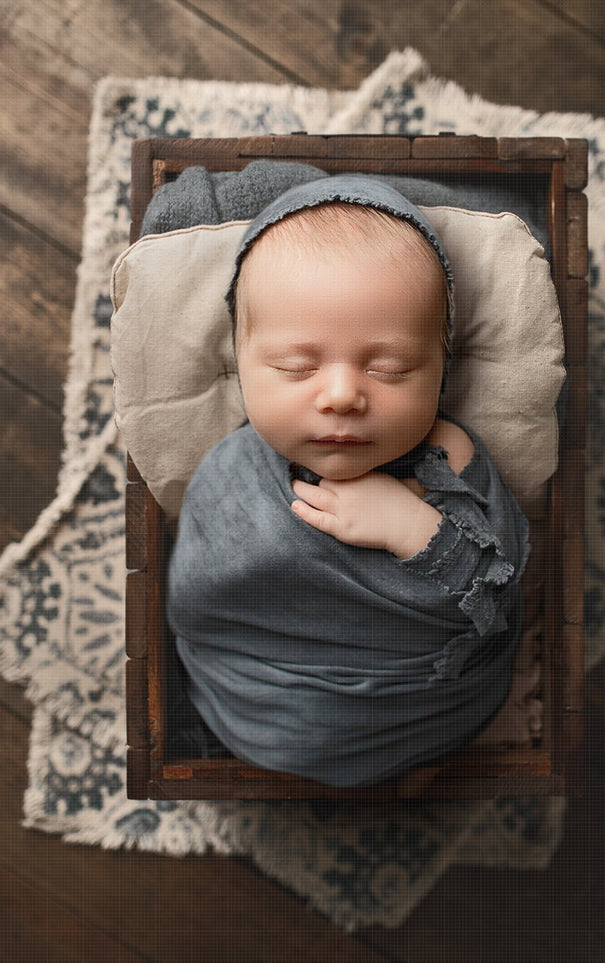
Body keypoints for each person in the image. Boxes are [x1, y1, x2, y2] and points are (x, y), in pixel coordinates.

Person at [166, 175, 534, 788]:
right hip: (257, 701)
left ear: (440, 367)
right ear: (242, 363)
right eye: (295, 367)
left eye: (390, 368)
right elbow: (199, 604)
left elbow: (497, 595)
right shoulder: (231, 478)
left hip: (423, 711)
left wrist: (414, 530)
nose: (341, 395)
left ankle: (397, 769)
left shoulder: (449, 459)